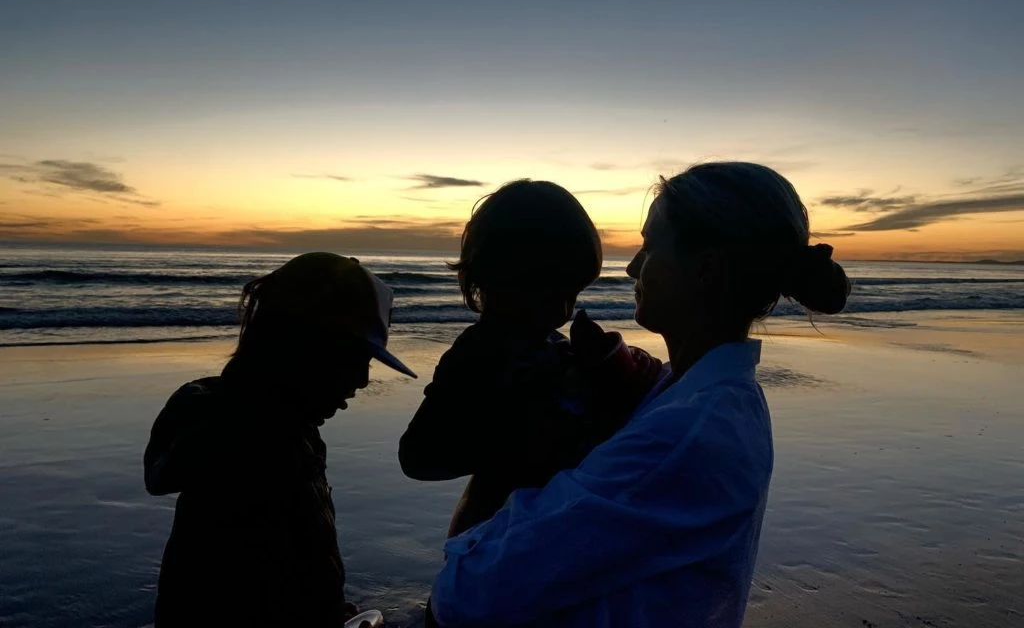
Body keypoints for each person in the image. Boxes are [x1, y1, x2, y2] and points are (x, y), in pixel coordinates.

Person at [429, 162, 852, 628]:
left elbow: (468, 595)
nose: (631, 265)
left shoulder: (686, 435)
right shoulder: (687, 395)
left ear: (706, 270)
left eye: (650, 246)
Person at [144, 252, 417, 628]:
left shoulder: (280, 427)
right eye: (354, 358)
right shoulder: (257, 446)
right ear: (301, 346)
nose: (362, 381)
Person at [399, 179, 660, 540]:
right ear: (493, 277)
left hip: (545, 533)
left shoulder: (552, 348)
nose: (562, 312)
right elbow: (417, 456)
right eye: (546, 293)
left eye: (573, 294)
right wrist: (517, 433)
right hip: (487, 539)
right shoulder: (477, 354)